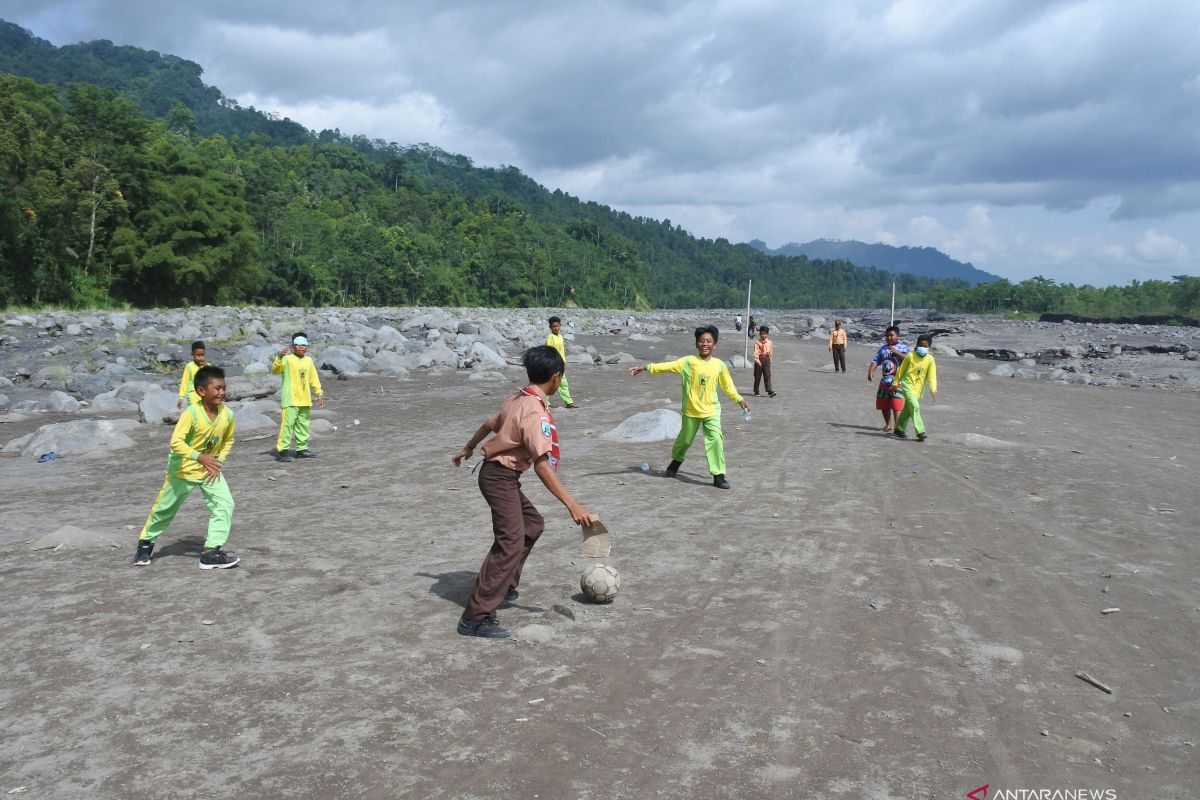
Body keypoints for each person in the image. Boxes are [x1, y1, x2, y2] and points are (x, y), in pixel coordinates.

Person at [452, 346, 596, 638]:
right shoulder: (534, 412)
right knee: (510, 542)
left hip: (499, 475)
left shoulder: (517, 398)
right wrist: (573, 505)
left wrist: (468, 447)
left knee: (532, 525)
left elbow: (487, 425)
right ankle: (475, 617)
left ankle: (503, 585)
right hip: (499, 477)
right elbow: (542, 466)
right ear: (556, 378)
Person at [133, 365, 240, 569]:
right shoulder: (191, 413)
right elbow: (176, 443)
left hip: (210, 470)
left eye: (224, 388)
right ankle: (145, 544)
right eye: (217, 388)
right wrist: (199, 457)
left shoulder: (227, 414)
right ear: (201, 391)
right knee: (165, 509)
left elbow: (228, 440)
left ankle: (211, 552)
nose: (222, 392)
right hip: (182, 470)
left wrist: (218, 462)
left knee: (225, 505)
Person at [629, 325, 749, 489]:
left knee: (715, 440)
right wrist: (646, 367)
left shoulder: (719, 365)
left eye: (708, 341)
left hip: (711, 411)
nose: (705, 344)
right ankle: (676, 461)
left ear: (715, 345)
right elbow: (667, 366)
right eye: (701, 341)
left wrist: (739, 399)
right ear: (696, 344)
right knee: (685, 441)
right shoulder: (687, 362)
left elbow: (728, 387)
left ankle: (718, 475)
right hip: (691, 412)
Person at [273, 333, 325, 462]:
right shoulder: (287, 359)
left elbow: (313, 378)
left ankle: (302, 449)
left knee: (303, 425)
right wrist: (279, 356)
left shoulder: (308, 360)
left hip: (305, 399)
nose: (301, 347)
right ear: (293, 346)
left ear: (306, 346)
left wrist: (319, 392)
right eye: (298, 344)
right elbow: (275, 369)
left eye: (303, 345)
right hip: (291, 399)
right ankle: (283, 451)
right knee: (287, 426)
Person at [893, 335, 938, 442]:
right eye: (920, 345)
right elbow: (901, 370)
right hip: (907, 385)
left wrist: (933, 389)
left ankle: (899, 429)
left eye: (925, 346)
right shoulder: (910, 356)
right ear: (917, 345)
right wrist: (895, 383)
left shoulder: (930, 359)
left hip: (918, 389)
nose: (922, 347)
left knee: (908, 410)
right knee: (915, 406)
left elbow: (932, 376)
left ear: (929, 347)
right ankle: (920, 432)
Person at [867, 325, 910, 434]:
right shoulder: (883, 348)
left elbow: (909, 360)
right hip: (885, 381)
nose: (889, 338)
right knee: (883, 404)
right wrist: (871, 371)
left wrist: (896, 352)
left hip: (898, 382)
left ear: (898, 336)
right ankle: (889, 424)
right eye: (887, 336)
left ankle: (898, 428)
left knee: (896, 404)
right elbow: (876, 360)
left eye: (891, 335)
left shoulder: (903, 348)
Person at [545, 316, 578, 408]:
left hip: (560, 364)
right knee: (550, 383)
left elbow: (561, 351)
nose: (556, 328)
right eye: (554, 326)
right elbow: (549, 351)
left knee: (563, 383)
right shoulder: (550, 337)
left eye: (557, 326)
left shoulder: (560, 337)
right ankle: (544, 403)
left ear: (560, 326)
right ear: (550, 327)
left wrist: (563, 362)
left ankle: (569, 403)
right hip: (553, 364)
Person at [176, 340, 207, 409]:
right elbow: (185, 382)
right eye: (198, 355)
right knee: (195, 414)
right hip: (193, 396)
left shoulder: (207, 366)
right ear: (192, 354)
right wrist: (181, 397)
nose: (201, 358)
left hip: (204, 395)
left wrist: (206, 367)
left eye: (202, 355)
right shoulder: (189, 367)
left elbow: (213, 377)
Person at [753, 325, 777, 397]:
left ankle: (769, 390)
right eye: (762, 334)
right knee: (757, 376)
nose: (763, 335)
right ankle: (756, 390)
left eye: (765, 334)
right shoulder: (757, 342)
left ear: (767, 334)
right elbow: (756, 352)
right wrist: (757, 361)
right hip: (759, 359)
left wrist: (770, 360)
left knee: (767, 375)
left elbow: (770, 352)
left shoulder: (769, 342)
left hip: (766, 359)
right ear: (759, 334)